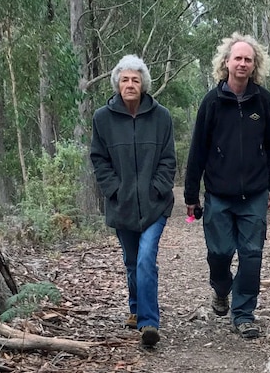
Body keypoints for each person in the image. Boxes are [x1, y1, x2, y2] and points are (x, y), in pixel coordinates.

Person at [184, 33, 270, 339]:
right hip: (218, 194)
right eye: (237, 58)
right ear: (226, 63)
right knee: (220, 252)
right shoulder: (211, 102)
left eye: (247, 59)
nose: (242, 63)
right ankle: (221, 288)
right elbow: (197, 150)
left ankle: (244, 314)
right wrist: (190, 194)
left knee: (252, 254)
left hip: (253, 193)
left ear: (254, 66)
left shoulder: (263, 102)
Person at [90, 54, 176, 348]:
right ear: (117, 83)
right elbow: (98, 159)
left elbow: (168, 159)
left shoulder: (161, 116)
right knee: (131, 261)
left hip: (155, 205)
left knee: (145, 259)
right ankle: (136, 306)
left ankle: (148, 322)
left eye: (135, 80)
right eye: (125, 79)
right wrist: (114, 189)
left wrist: (157, 188)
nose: (130, 84)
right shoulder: (102, 118)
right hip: (121, 204)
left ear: (144, 85)